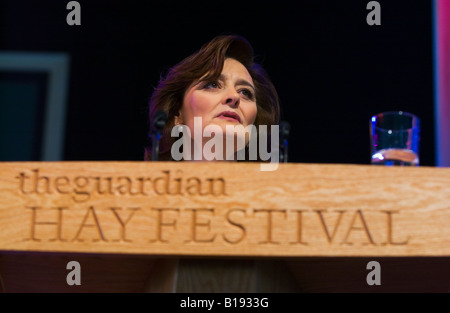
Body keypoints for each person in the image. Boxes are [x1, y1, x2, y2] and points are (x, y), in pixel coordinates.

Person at [144, 34, 281, 162]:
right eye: (213, 85)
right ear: (177, 113)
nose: (234, 96)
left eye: (245, 92)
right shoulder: (138, 186)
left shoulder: (280, 188)